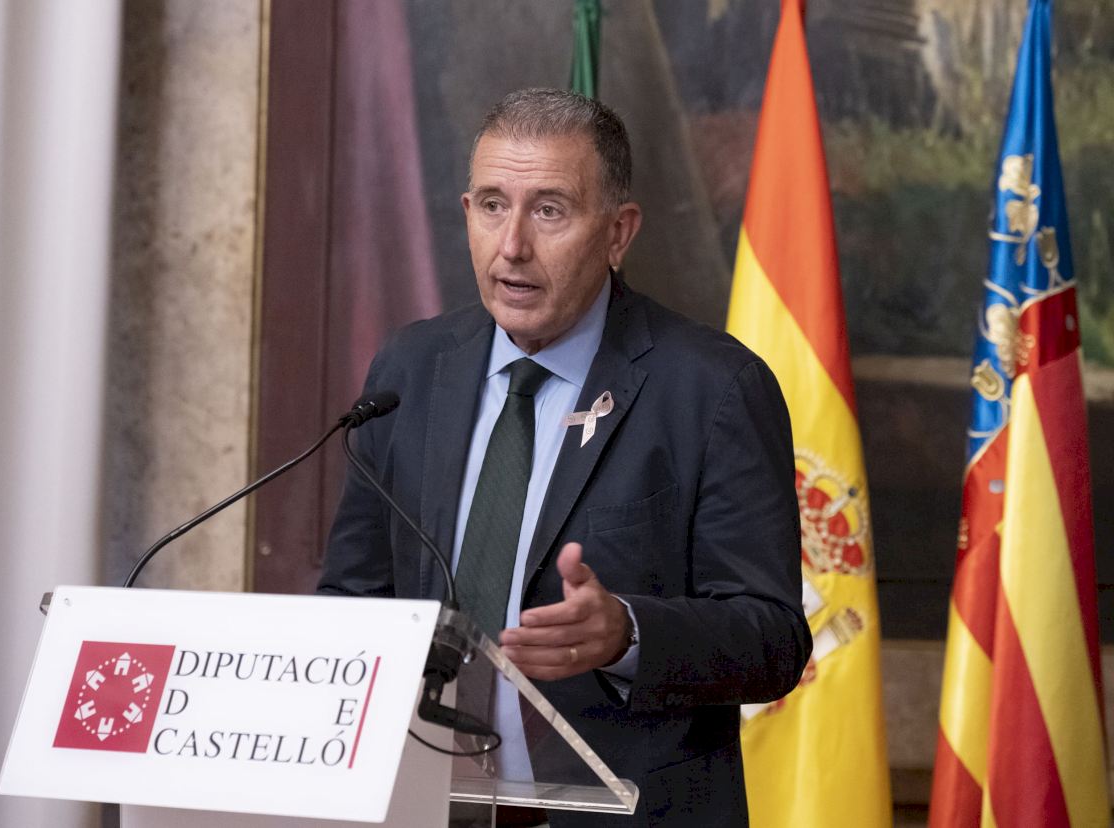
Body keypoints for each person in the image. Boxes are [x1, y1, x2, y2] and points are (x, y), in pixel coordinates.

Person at [318, 88, 811, 827]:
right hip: (422, 808)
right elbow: (353, 600)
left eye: (549, 210)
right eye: (492, 206)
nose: (512, 245)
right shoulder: (412, 370)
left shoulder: (711, 389)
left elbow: (773, 641)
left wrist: (628, 634)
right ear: (467, 212)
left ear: (618, 233)